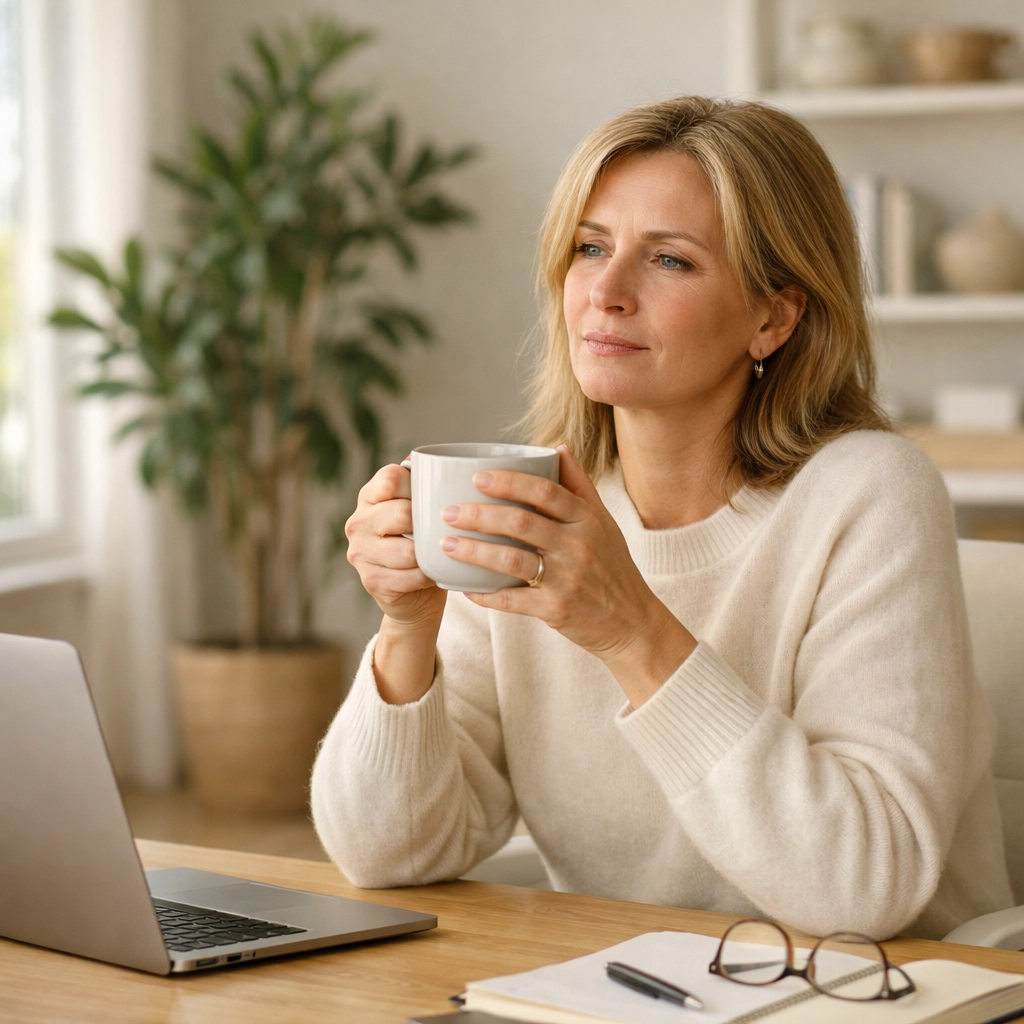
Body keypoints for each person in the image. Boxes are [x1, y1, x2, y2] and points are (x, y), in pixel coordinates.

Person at [312, 96, 1013, 940]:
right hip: (618, 990)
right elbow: (387, 855)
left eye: (670, 261)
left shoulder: (869, 492)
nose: (605, 293)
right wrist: (405, 633)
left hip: (874, 996)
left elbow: (866, 887)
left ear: (773, 315)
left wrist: (631, 631)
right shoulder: (540, 504)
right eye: (589, 248)